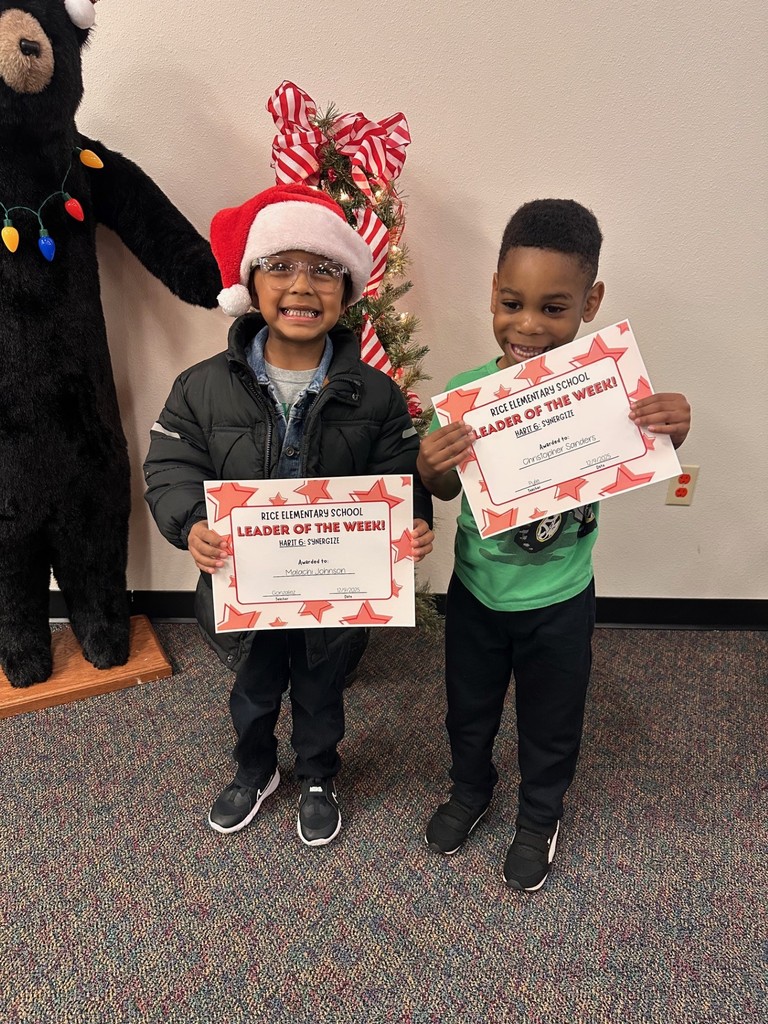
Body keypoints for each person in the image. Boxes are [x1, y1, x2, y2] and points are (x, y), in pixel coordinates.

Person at [144, 183, 433, 847]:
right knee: (252, 691)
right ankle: (255, 767)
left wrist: (412, 520)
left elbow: (400, 474)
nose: (302, 284)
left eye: (324, 268)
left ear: (348, 288)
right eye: (281, 265)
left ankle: (318, 773)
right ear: (250, 282)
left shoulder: (377, 393)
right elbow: (170, 467)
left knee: (321, 691)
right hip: (245, 586)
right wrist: (191, 522)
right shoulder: (201, 387)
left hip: (331, 593)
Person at [417, 199, 691, 891]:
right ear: (492, 293)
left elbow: (651, 449)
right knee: (468, 709)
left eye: (554, 307)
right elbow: (447, 495)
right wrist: (430, 467)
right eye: (512, 303)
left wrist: (672, 430)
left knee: (552, 719)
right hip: (476, 593)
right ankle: (469, 791)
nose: (528, 326)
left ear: (590, 302)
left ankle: (540, 817)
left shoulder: (611, 396)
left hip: (561, 601)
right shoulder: (464, 393)